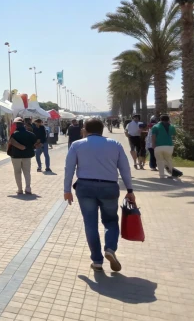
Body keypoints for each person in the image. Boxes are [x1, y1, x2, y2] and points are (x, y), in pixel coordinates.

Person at [64, 118, 135, 272]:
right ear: (102, 129)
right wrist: (130, 190)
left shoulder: (77, 145)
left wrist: (67, 190)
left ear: (85, 129)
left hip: (85, 187)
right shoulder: (115, 144)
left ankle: (97, 260)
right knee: (110, 221)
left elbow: (68, 169)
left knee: (90, 223)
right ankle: (110, 248)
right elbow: (125, 169)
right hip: (109, 187)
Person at [8, 117, 36, 195]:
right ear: (23, 124)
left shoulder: (14, 134)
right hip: (27, 156)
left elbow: (10, 143)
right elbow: (35, 144)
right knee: (27, 172)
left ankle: (20, 189)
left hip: (16, 156)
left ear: (16, 125)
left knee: (17, 172)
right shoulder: (31, 134)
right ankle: (28, 188)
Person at [151, 115, 176, 179]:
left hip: (158, 146)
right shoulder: (171, 126)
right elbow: (173, 135)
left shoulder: (155, 127)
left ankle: (162, 174)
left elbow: (153, 136)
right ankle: (171, 174)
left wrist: (153, 144)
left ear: (160, 119)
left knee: (159, 161)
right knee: (169, 160)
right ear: (168, 119)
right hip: (169, 146)